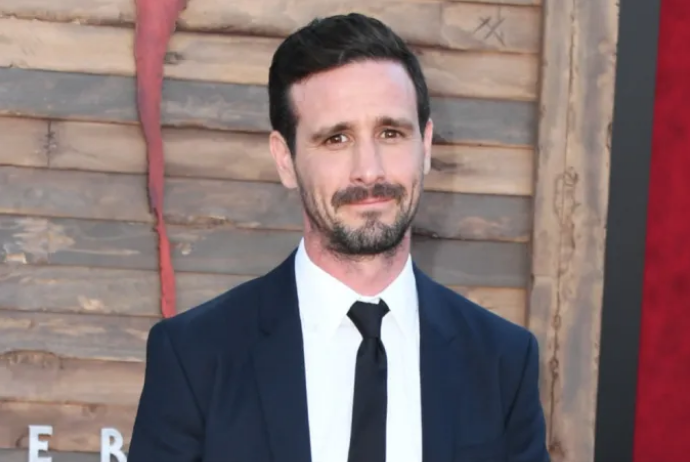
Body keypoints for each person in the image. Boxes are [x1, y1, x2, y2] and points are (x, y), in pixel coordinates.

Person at [127, 12, 550, 462]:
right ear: (285, 159)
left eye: (391, 133)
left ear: (425, 146)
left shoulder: (502, 361)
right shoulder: (196, 356)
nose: (369, 170)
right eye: (336, 139)